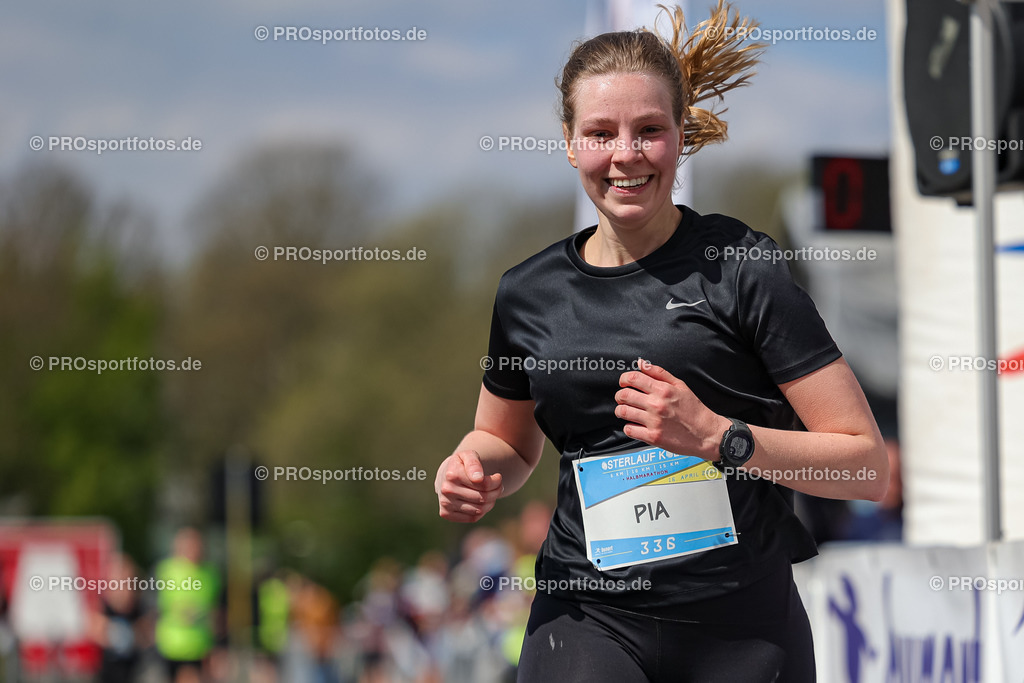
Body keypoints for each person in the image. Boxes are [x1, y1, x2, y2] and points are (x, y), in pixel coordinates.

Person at [434, 2, 890, 681]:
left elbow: (866, 466)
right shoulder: (526, 293)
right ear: (568, 141)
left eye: (649, 130)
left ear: (682, 135)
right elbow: (505, 440)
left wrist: (718, 436)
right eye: (600, 132)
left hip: (741, 627)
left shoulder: (744, 268)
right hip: (587, 617)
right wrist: (474, 469)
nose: (625, 154)